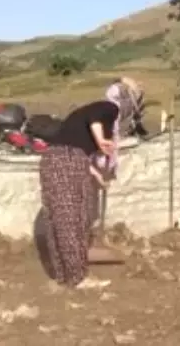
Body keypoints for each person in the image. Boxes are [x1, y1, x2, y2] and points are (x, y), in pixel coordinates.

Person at [40, 100, 120, 288]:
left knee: (61, 219)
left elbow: (80, 152)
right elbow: (96, 117)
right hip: (67, 160)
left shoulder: (76, 125)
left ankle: (65, 276)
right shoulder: (110, 109)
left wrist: (97, 176)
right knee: (72, 219)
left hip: (54, 160)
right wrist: (101, 140)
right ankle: (79, 278)